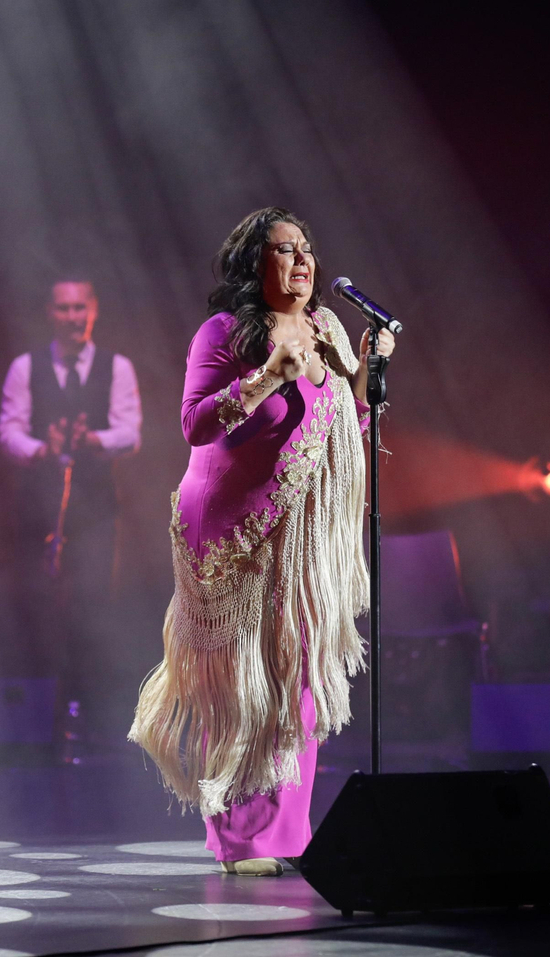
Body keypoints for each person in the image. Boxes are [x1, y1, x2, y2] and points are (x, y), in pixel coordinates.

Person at [129, 207, 396, 876]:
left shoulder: (326, 327)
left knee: (298, 678)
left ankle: (289, 835)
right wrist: (271, 373)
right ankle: (242, 841)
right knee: (243, 685)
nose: (303, 261)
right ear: (255, 264)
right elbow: (194, 424)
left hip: (297, 538)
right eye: (285, 250)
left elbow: (345, 420)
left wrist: (364, 370)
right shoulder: (224, 332)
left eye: (307, 249)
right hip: (230, 532)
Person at [0, 276, 141, 738]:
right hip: (40, 506)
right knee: (43, 607)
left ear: (93, 310)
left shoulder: (116, 366)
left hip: (96, 509)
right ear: (50, 313)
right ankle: (43, 713)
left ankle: (88, 709)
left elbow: (130, 431)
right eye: (63, 308)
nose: (73, 317)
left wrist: (94, 439)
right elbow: (9, 431)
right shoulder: (26, 367)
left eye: (80, 308)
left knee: (92, 605)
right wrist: (43, 448)